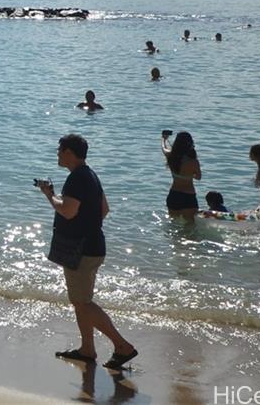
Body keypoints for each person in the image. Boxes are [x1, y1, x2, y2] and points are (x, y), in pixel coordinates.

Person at [39, 133, 138, 370]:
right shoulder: (90, 175)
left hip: (81, 250)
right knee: (80, 302)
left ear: (69, 153)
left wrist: (50, 195)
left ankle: (122, 346)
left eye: (59, 150)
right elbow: (104, 209)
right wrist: (87, 225)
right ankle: (87, 349)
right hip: (93, 245)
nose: (57, 154)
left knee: (83, 302)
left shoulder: (76, 178)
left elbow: (69, 211)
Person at [161, 130, 201, 217]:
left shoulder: (170, 156)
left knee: (173, 223)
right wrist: (189, 175)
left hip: (174, 195)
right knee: (189, 226)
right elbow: (198, 177)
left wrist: (163, 139)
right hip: (188, 196)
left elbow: (163, 148)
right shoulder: (193, 161)